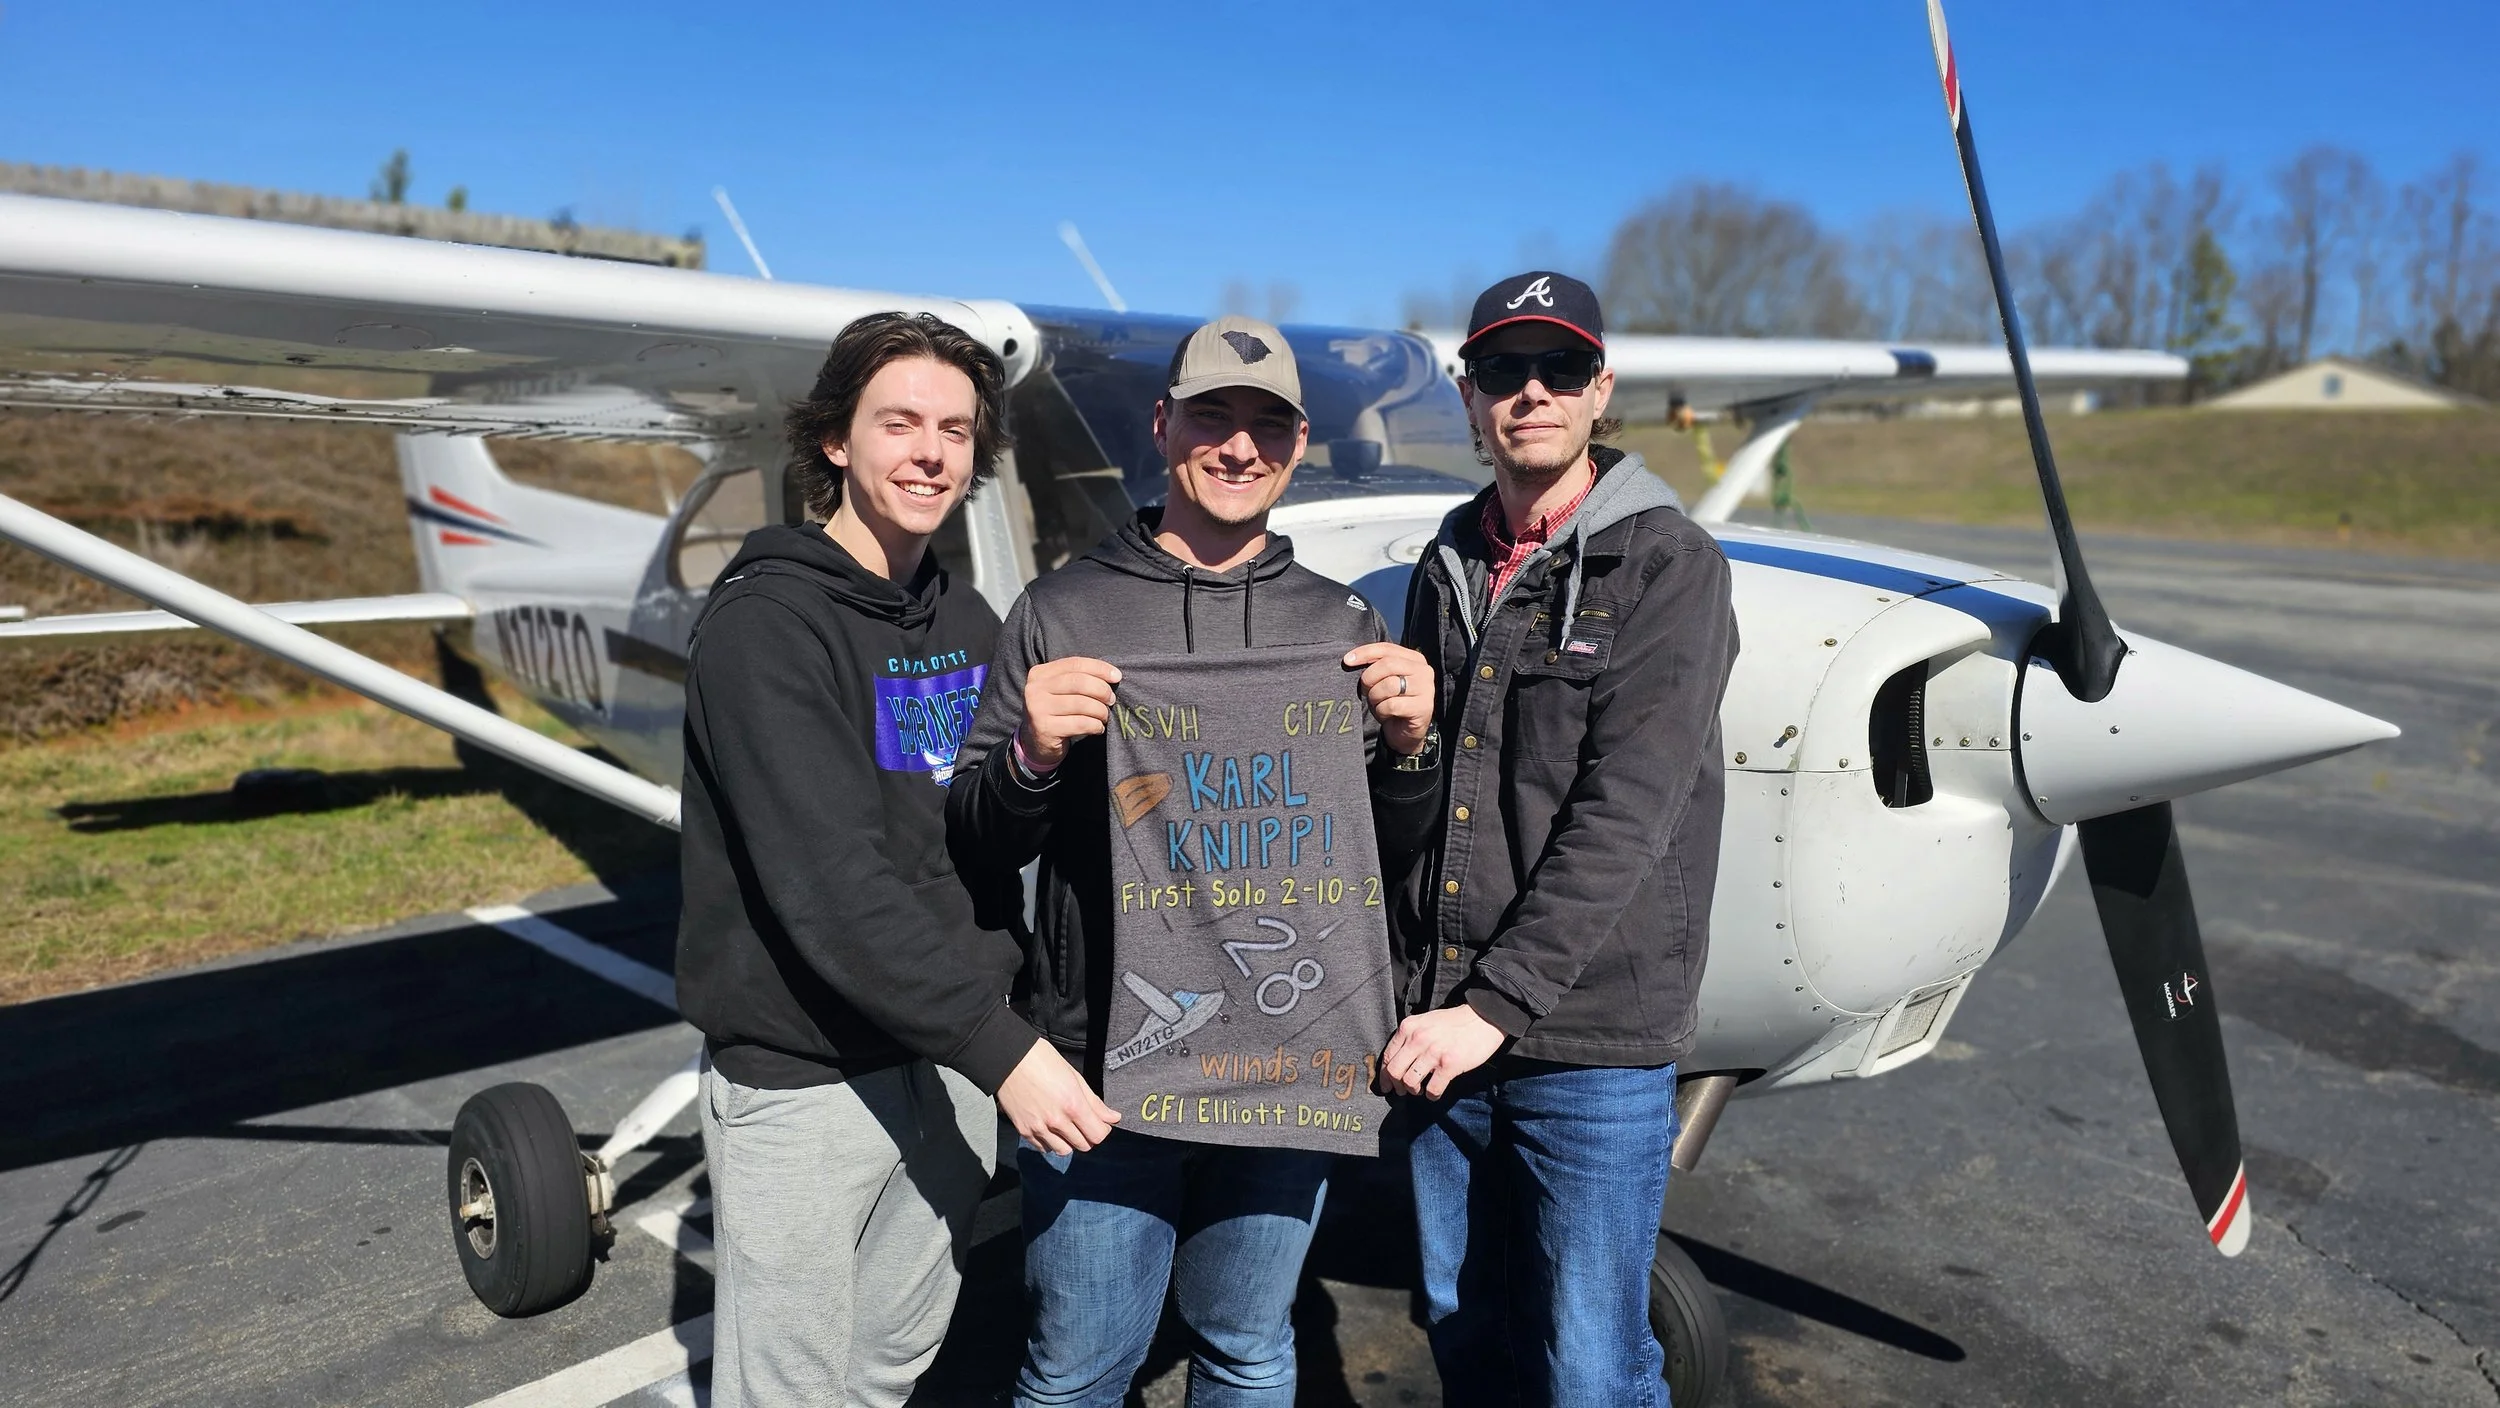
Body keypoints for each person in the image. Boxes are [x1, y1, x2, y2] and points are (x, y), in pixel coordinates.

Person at [947, 315, 1442, 1407]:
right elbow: (979, 839)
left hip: (1289, 1054)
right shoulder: (1061, 610)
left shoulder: (1338, 622)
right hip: (1102, 1069)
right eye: (1212, 416)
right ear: (1162, 426)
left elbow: (1376, 851)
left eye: (1267, 424)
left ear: (1300, 443)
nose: (1238, 446)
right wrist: (1030, 750)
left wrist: (1411, 752)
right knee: (1077, 1369)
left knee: (1251, 1348)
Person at [675, 311, 1115, 1408]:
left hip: (945, 1066)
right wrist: (1008, 1052)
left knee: (887, 1368)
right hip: (808, 1075)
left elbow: (973, 838)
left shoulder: (965, 617)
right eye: (900, 422)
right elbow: (832, 885)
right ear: (835, 440)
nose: (930, 451)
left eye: (956, 430)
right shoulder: (764, 628)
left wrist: (1029, 757)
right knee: (789, 1391)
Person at [1378, 272, 1739, 1406]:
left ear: (1600, 390)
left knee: (1590, 1361)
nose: (1529, 391)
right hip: (1443, 1018)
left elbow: (1627, 809)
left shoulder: (1669, 565)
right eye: (1500, 370)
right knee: (1462, 1324)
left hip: (1583, 1037)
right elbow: (1434, 793)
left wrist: (1494, 1006)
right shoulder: (1446, 561)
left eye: (1559, 368)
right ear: (1469, 395)